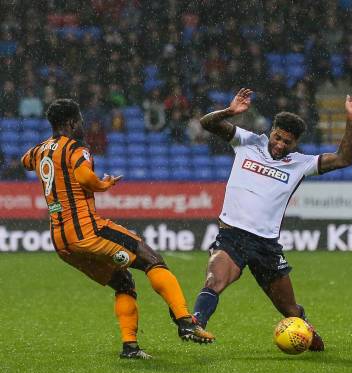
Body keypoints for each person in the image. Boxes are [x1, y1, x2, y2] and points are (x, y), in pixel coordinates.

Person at [21, 99, 214, 359]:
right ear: (69, 123)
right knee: (151, 258)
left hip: (62, 242)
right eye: (79, 121)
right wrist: (104, 184)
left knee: (123, 281)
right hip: (87, 230)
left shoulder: (40, 150)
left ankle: (130, 347)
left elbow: (25, 161)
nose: (82, 125)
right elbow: (84, 177)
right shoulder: (77, 147)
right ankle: (185, 321)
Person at [193, 87, 352, 351]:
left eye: (288, 142)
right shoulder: (247, 141)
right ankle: (196, 323)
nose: (280, 145)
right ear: (271, 130)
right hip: (232, 236)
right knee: (214, 281)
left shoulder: (300, 163)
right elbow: (206, 123)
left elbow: (344, 159)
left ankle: (305, 329)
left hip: (266, 246)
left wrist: (351, 120)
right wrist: (230, 111)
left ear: (295, 144)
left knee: (290, 310)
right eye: (278, 137)